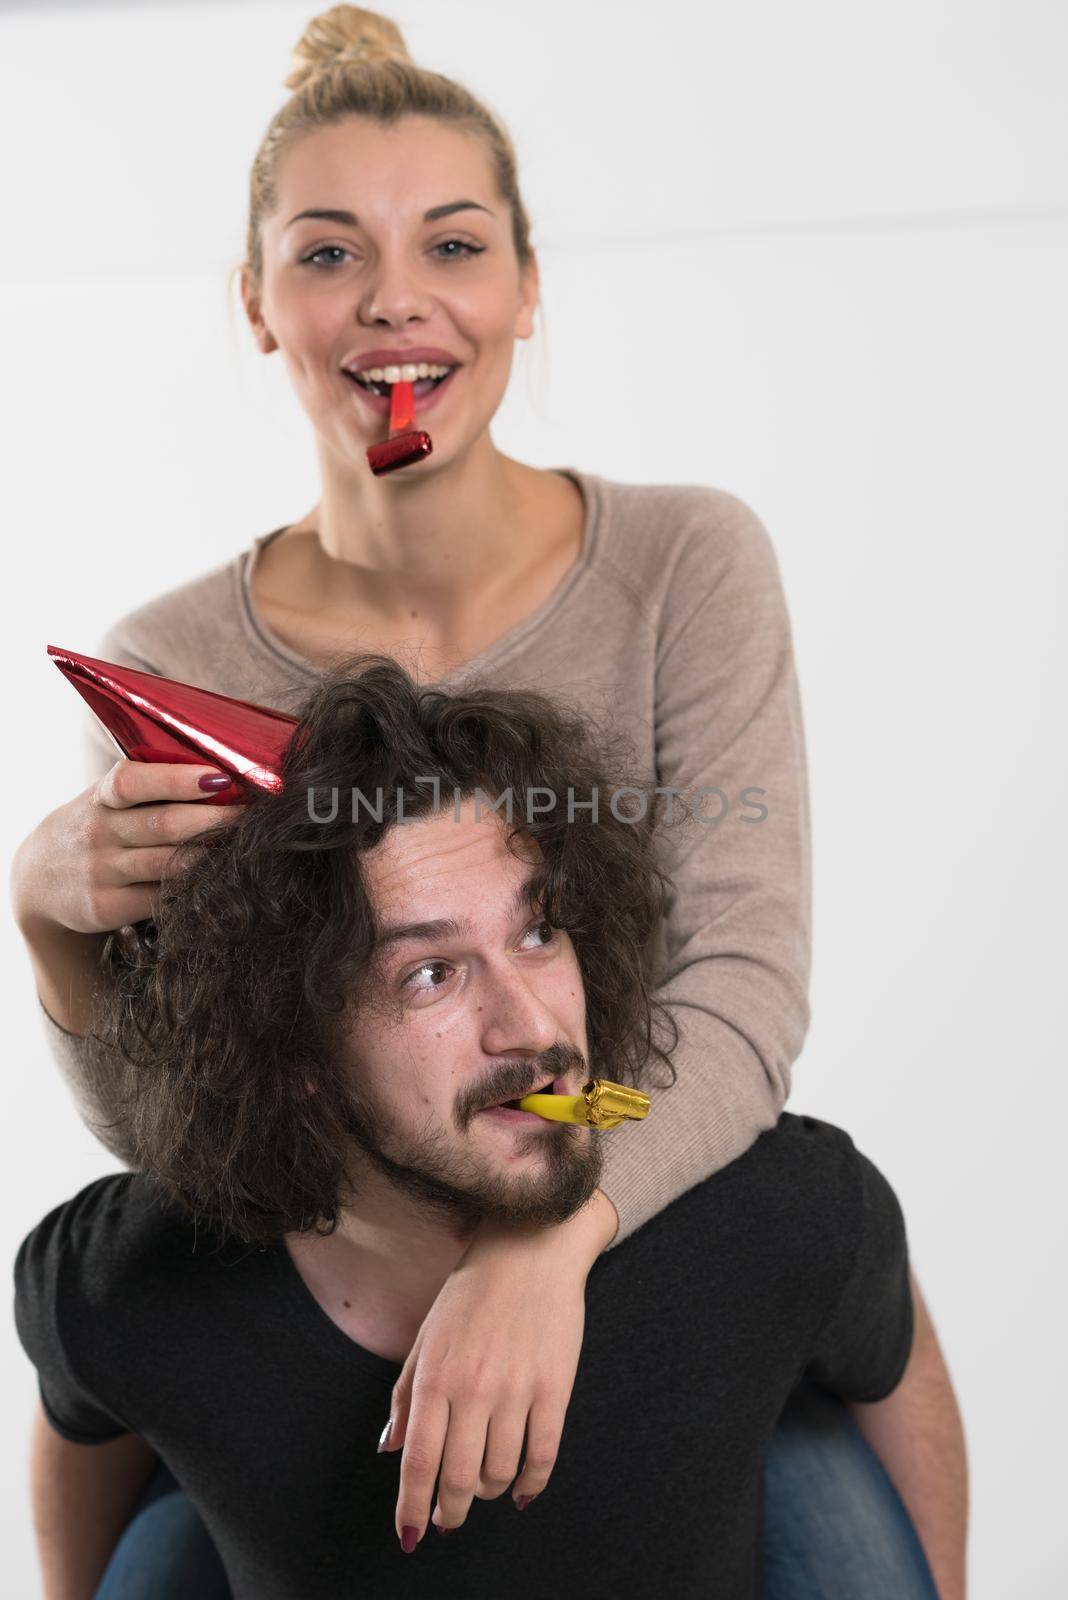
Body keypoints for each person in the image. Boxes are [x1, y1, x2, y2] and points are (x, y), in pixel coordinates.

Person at [7, 5, 959, 1595]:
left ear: (526, 285)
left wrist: (549, 1241)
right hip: (342, 1285)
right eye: (327, 255)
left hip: (644, 1210)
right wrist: (51, 928)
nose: (395, 300)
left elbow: (739, 993)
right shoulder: (166, 657)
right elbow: (203, 1126)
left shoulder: (682, 566)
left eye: (452, 243)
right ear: (256, 305)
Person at [14, 659, 967, 1600]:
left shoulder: (778, 1208)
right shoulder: (122, 1278)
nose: (537, 1030)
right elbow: (85, 1415)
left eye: (539, 932)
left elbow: (886, 1347)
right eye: (430, 974)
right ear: (293, 1050)